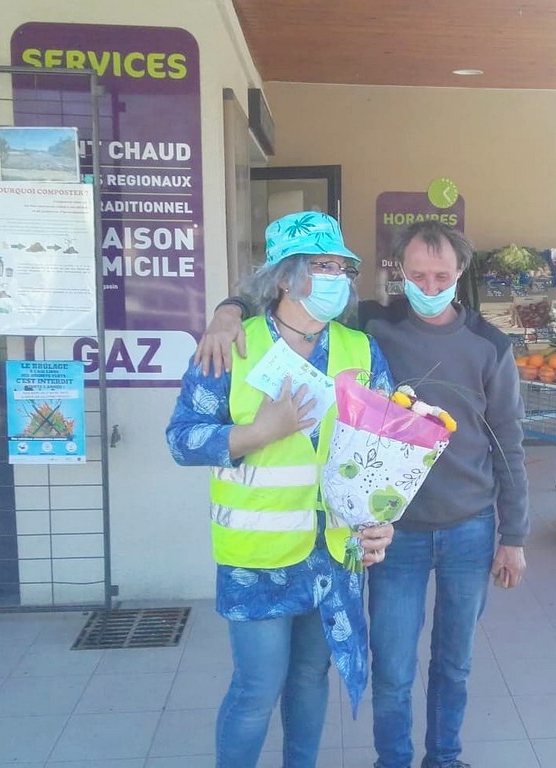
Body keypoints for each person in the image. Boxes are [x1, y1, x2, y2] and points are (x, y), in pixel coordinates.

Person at [197, 220, 529, 768]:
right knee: (388, 669)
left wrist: (513, 535)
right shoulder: (370, 324)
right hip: (387, 535)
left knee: (450, 663)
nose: (429, 286)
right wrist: (227, 310)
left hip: (465, 526)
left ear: (460, 273)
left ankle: (444, 759)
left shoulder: (485, 345)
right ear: (398, 273)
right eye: (417, 275)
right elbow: (283, 298)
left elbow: (508, 443)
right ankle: (392, 761)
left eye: (441, 276)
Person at [166, 210, 396, 768]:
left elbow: (386, 451)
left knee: (311, 679)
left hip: (332, 553)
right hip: (257, 555)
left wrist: (382, 518)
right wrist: (256, 433)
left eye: (343, 267)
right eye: (323, 265)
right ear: (287, 276)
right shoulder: (232, 345)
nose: (338, 277)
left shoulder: (361, 350)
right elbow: (181, 439)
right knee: (257, 687)